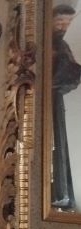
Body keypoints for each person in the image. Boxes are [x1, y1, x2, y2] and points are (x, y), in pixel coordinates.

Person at [52, 4, 81, 209]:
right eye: (60, 22)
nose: (63, 27)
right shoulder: (46, 44)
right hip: (44, 100)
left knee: (59, 143)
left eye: (68, 23)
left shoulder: (63, 46)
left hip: (56, 101)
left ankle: (61, 192)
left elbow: (69, 79)